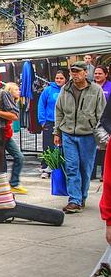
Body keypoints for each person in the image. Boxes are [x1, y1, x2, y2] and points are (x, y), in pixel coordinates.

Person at [54, 60, 106, 214]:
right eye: (72, 71)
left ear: (85, 72)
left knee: (86, 168)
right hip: (68, 133)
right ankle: (74, 200)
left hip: (88, 135)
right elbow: (59, 111)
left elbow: (101, 114)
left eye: (78, 71)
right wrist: (57, 132)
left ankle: (82, 196)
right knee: (71, 167)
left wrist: (100, 134)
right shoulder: (65, 89)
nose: (74, 74)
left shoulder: (96, 90)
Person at [37, 71, 66, 178]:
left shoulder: (67, 90)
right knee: (48, 146)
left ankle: (59, 168)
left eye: (61, 78)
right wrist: (42, 121)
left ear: (66, 79)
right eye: (57, 78)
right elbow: (41, 105)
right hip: (49, 122)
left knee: (61, 146)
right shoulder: (48, 90)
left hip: (63, 123)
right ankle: (46, 168)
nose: (58, 80)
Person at [2, 83, 27, 194]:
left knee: (19, 157)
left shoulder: (14, 102)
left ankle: (14, 183)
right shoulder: (6, 102)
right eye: (16, 90)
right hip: (2, 135)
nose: (19, 91)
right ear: (10, 92)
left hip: (7, 136)